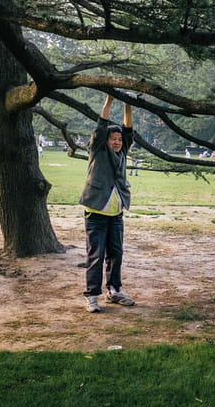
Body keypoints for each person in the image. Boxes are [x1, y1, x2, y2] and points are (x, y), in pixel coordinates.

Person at [79, 92, 136, 313]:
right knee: (96, 255)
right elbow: (101, 128)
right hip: (96, 213)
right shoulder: (98, 150)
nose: (117, 142)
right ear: (106, 140)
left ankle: (114, 290)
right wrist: (109, 101)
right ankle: (92, 295)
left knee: (116, 253)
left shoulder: (122, 152)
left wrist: (128, 105)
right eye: (114, 139)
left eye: (120, 140)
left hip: (116, 213)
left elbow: (128, 130)